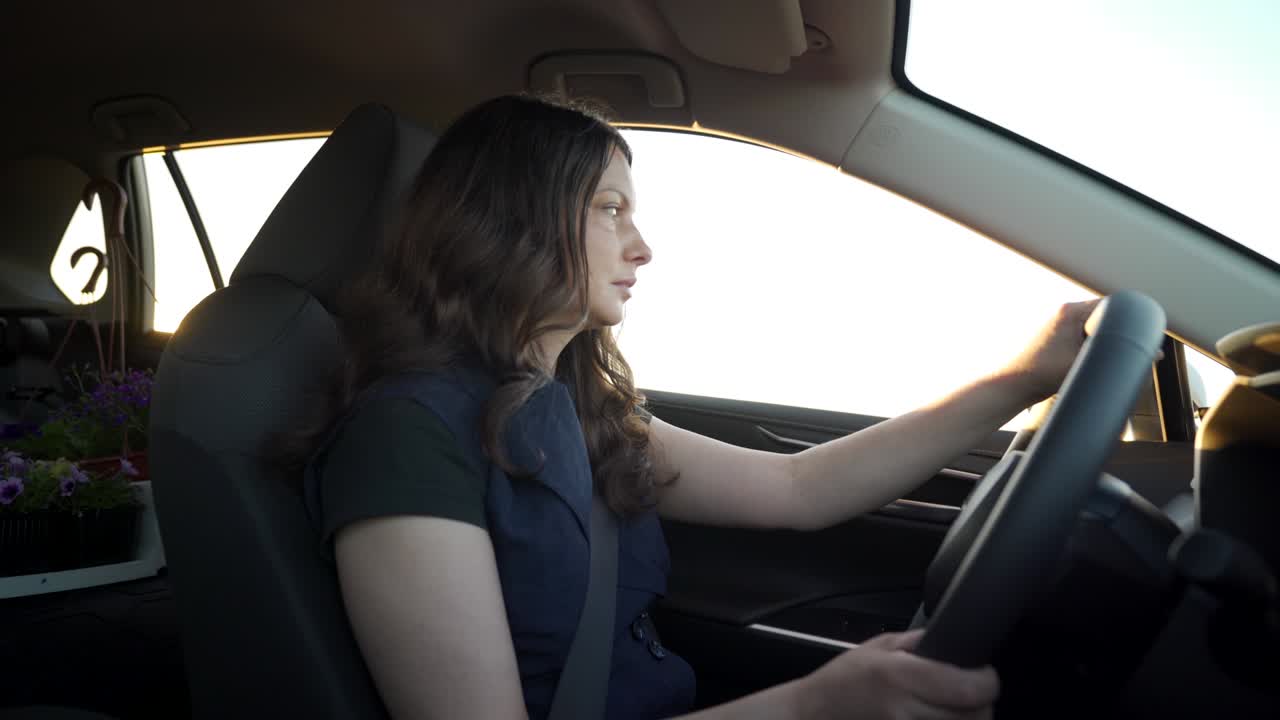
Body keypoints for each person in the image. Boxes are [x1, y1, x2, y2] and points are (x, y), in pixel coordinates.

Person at [288, 94, 1096, 720]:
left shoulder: (575, 402)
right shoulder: (405, 438)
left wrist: (1022, 378)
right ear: (508, 218)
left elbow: (798, 490)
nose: (642, 247)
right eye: (610, 210)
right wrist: (816, 704)